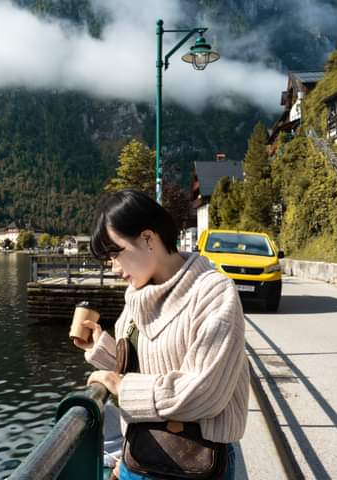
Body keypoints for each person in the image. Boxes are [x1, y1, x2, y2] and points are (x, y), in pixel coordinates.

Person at [73, 189, 248, 480]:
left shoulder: (213, 293)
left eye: (115, 254)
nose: (113, 268)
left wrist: (121, 386)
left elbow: (205, 393)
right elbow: (143, 365)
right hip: (142, 454)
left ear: (147, 238)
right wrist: (100, 347)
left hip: (195, 463)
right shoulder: (137, 296)